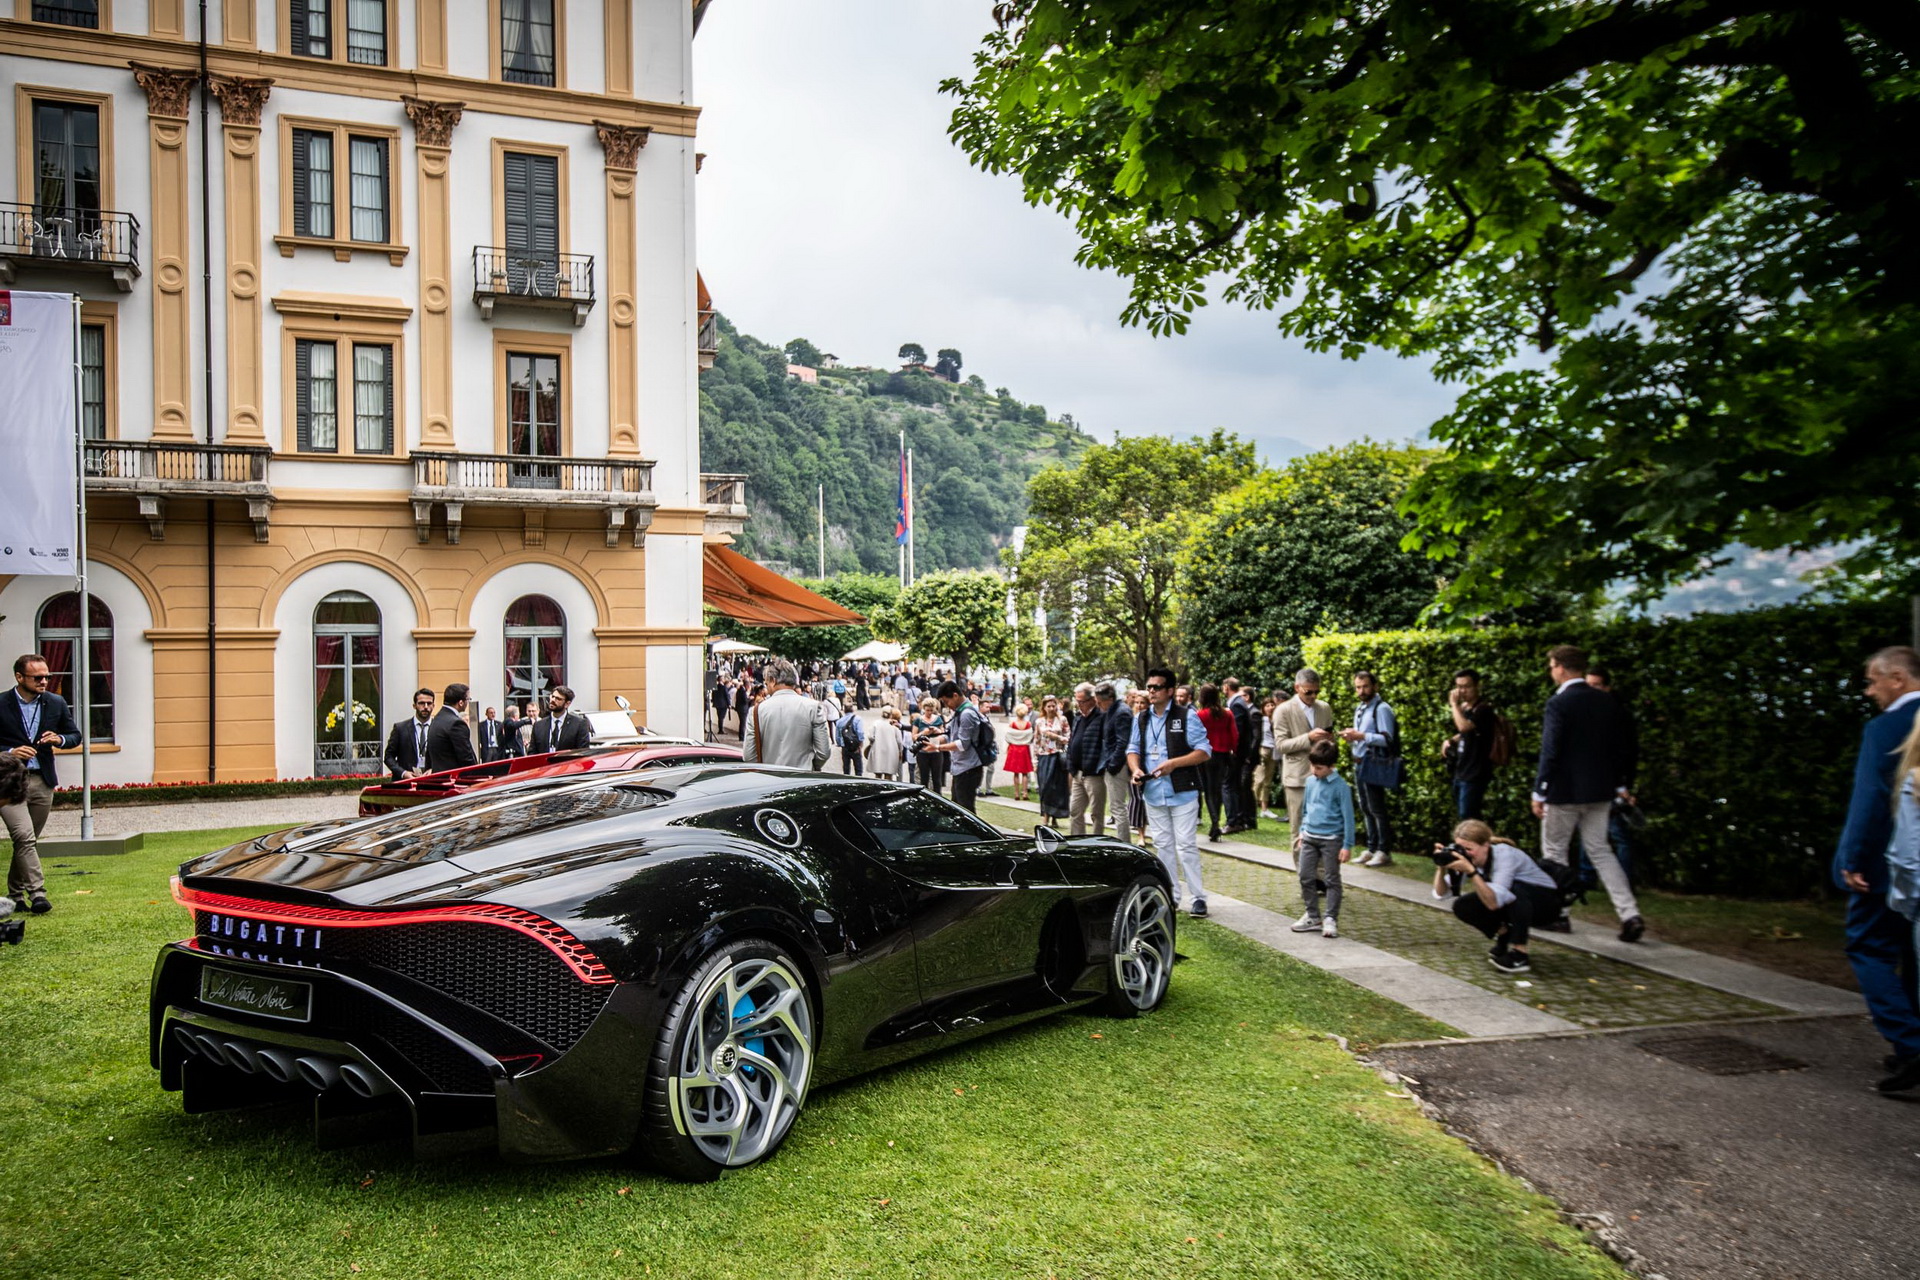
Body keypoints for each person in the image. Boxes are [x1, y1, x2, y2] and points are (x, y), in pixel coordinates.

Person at [1833, 645, 1920, 1094]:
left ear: (1898, 679)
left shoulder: (1887, 728)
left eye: (1873, 681)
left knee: (1868, 948)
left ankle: (1910, 1044)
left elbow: (1870, 802)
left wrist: (1852, 860)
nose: (1869, 691)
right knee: (1913, 954)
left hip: (1891, 862)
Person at [1532, 645, 1644, 943]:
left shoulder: (1559, 703)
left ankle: (1560, 915)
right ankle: (1629, 912)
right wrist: (1620, 784)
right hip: (1600, 789)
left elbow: (1551, 750)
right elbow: (1620, 748)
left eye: (1552, 665)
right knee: (1601, 851)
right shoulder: (1605, 701)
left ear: (1561, 667)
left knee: (1555, 853)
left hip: (1564, 790)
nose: (1551, 670)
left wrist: (1540, 790)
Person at [1, 653, 81, 916]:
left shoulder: (55, 702)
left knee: (27, 841)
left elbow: (74, 735)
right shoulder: (1, 703)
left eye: (47, 676)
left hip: (42, 780)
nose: (44, 681)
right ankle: (38, 894)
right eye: (38, 677)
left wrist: (58, 739)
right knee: (23, 836)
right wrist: (10, 751)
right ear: (19, 677)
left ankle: (14, 894)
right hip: (9, 782)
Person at [1127, 668, 1211, 916]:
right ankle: (1170, 895)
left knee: (1185, 845)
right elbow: (1132, 749)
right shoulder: (1141, 718)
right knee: (1163, 845)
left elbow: (1204, 751)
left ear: (1170, 691)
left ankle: (1198, 898)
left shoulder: (1187, 716)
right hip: (1153, 791)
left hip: (1183, 792)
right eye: (1149, 687)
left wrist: (1174, 763)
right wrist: (1135, 770)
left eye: (1156, 687)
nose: (1151, 691)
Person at [1434, 819, 1566, 975]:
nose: (1465, 853)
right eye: (1461, 848)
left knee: (1514, 890)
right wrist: (1441, 867)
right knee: (1463, 905)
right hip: (1514, 901)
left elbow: (1494, 902)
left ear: (1485, 845)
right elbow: (1441, 894)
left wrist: (1471, 872)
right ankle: (1504, 934)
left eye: (1469, 849)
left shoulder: (1505, 856)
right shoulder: (1470, 857)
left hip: (1546, 904)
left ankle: (1520, 954)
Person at [1576, 665, 1641, 885]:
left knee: (1617, 833)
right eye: (1588, 685)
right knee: (1589, 830)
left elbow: (1627, 753)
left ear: (1606, 687)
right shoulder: (1585, 711)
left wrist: (1623, 785)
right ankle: (1586, 877)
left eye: (1596, 685)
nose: (1592, 690)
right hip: (1590, 782)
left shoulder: (1618, 715)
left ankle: (1622, 879)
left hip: (1612, 784)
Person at [1289, 741, 1353, 939]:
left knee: (1331, 879)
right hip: (1309, 837)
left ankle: (1330, 918)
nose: (1314, 771)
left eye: (1319, 768)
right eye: (1313, 766)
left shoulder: (1341, 787)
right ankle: (1312, 915)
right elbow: (1306, 809)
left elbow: (1348, 817)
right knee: (1305, 876)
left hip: (1331, 840)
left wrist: (1347, 845)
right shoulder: (1310, 782)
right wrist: (1302, 831)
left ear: (1331, 766)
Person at [1341, 670, 1399, 867]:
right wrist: (1352, 736)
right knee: (1366, 807)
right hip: (1360, 763)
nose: (1361, 690)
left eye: (1365, 686)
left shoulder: (1382, 709)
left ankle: (1384, 850)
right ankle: (1371, 847)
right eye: (1358, 687)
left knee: (1377, 808)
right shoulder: (1360, 708)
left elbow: (1387, 739)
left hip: (1373, 764)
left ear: (1375, 686)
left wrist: (1362, 736)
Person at [1274, 669, 1335, 849]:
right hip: (1297, 778)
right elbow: (1281, 745)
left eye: (1317, 691)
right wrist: (1308, 737)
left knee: (1323, 826)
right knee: (1299, 829)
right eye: (1308, 692)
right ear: (1297, 688)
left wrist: (1330, 741)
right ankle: (1304, 874)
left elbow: (1330, 740)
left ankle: (1321, 873)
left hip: (1323, 776)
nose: (1313, 695)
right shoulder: (1283, 710)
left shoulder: (1324, 707)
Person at [742, 660, 833, 770]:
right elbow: (823, 752)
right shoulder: (813, 707)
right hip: (803, 778)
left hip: (769, 780)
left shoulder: (756, 711)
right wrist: (810, 766)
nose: (766, 688)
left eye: (766, 683)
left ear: (773, 681)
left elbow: (749, 756)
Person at [1445, 669, 1499, 820]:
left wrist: (1454, 705)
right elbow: (1464, 733)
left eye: (1466, 687)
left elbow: (1465, 727)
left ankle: (1476, 843)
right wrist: (1450, 741)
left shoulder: (1483, 709)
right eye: (1459, 687)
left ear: (1477, 686)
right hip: (1461, 769)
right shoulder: (1465, 708)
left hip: (1475, 772)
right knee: (1463, 815)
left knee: (1468, 816)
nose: (1462, 691)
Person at [931, 680, 990, 812]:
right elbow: (950, 735)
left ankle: (974, 833)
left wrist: (937, 748)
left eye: (947, 702)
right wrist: (933, 742)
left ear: (955, 695)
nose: (947, 706)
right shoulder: (960, 712)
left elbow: (962, 744)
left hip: (969, 769)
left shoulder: (967, 713)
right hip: (961, 768)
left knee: (966, 810)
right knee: (958, 808)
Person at [1195, 683, 1238, 842]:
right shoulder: (1227, 714)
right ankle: (1216, 821)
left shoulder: (1200, 715)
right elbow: (1234, 735)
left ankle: (1214, 823)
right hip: (1223, 754)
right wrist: (1233, 751)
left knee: (1208, 790)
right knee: (1218, 789)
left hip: (1205, 755)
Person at [1094, 682, 1136, 845]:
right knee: (1117, 808)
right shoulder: (1113, 711)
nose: (1098, 705)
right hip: (1112, 763)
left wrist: (1112, 765)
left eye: (1100, 701)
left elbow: (1122, 742)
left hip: (1117, 766)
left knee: (1118, 808)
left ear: (1109, 699)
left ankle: (1124, 844)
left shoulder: (1121, 712)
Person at [1066, 683, 1109, 837]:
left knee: (1097, 813)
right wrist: (1071, 765)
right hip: (1077, 773)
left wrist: (1099, 766)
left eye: (1082, 701)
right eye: (1076, 701)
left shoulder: (1102, 716)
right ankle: (1077, 842)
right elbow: (1072, 741)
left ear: (1092, 700)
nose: (1079, 705)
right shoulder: (1078, 717)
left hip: (1094, 775)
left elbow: (1106, 745)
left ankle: (1097, 842)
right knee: (1075, 811)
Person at [1223, 677, 1260, 833]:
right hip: (1240, 753)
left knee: (1228, 785)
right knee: (1236, 786)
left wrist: (1232, 751)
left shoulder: (1237, 704)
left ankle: (1233, 821)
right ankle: (1240, 818)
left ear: (1227, 687)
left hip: (1236, 754)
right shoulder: (1239, 703)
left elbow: (1237, 731)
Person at [1032, 694, 1071, 824]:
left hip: (1058, 756)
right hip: (1044, 756)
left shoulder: (1062, 720)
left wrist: (1058, 738)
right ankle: (1046, 815)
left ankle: (1055, 816)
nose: (1051, 708)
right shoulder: (1039, 722)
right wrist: (1035, 761)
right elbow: (1036, 741)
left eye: (1053, 705)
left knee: (1058, 787)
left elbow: (1068, 736)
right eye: (1048, 706)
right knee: (1045, 787)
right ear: (1044, 707)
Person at [383, 688, 435, 779]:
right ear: (414, 705)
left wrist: (434, 770)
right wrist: (403, 773)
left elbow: (446, 758)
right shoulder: (400, 728)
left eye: (429, 703)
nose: (426, 707)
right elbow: (388, 757)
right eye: (421, 703)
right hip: (405, 782)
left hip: (432, 781)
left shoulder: (439, 728)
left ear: (433, 705)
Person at [426, 683, 479, 773]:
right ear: (461, 703)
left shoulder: (437, 719)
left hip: (439, 777)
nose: (468, 702)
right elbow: (466, 758)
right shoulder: (456, 724)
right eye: (468, 699)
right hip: (455, 780)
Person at [530, 685, 591, 754]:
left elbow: (582, 753)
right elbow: (532, 753)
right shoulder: (538, 725)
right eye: (552, 696)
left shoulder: (579, 725)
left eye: (558, 699)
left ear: (567, 704)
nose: (553, 700)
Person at [912, 697, 948, 795]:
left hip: (936, 751)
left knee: (937, 779)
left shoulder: (938, 719)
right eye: (927, 710)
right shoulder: (918, 720)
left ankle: (938, 797)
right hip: (923, 752)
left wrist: (937, 730)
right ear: (924, 709)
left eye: (931, 710)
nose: (929, 712)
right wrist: (923, 732)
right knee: (924, 778)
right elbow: (914, 737)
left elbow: (944, 734)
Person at [1254, 694, 1280, 820]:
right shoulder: (1261, 720)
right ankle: (1251, 807)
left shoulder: (1277, 720)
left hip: (1273, 750)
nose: (1270, 707)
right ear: (1263, 708)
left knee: (1268, 781)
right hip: (1263, 749)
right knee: (1259, 779)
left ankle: (1264, 808)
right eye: (1267, 705)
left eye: (1272, 705)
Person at [1003, 701, 1035, 801]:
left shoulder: (1013, 724)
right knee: (1025, 772)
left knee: (1016, 772)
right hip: (1024, 749)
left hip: (1014, 748)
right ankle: (1025, 793)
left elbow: (1008, 736)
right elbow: (1030, 737)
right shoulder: (1028, 724)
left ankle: (1016, 793)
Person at [868, 707, 908, 780]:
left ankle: (878, 788)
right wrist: (900, 751)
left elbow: (871, 736)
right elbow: (899, 741)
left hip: (878, 749)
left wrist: (873, 742)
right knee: (889, 774)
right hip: (891, 751)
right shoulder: (893, 724)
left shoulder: (876, 723)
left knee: (878, 773)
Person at [836, 700, 866, 775]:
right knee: (858, 768)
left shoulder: (839, 721)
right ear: (853, 709)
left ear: (844, 710)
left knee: (846, 768)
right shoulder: (857, 719)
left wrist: (840, 743)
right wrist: (860, 743)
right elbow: (860, 732)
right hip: (855, 745)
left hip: (845, 745)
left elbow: (838, 735)